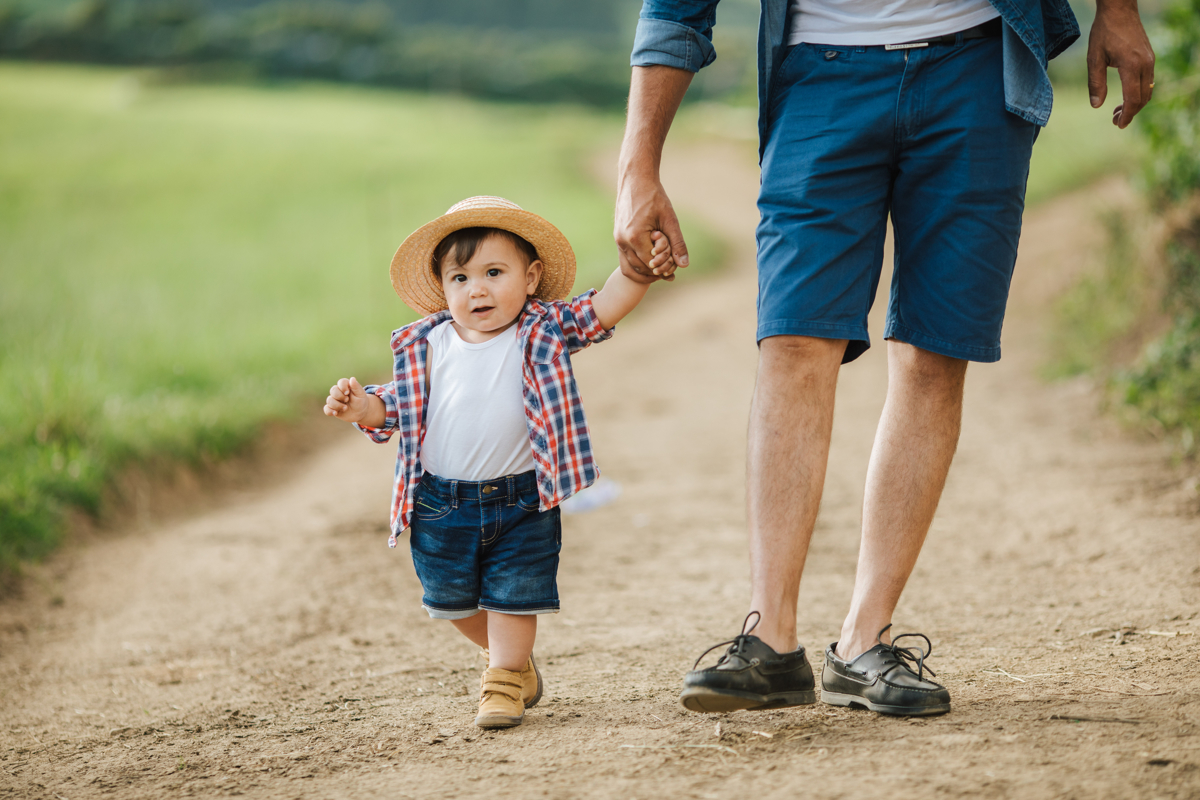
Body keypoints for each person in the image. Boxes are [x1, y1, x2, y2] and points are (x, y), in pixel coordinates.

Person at [615, 0, 1154, 716]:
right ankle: (769, 640)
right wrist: (638, 166)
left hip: (976, 68)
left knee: (935, 352)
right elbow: (677, 8)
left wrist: (1118, 10)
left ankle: (865, 641)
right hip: (819, 73)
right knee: (793, 337)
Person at [323, 196, 672, 729]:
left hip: (522, 498)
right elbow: (396, 406)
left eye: (493, 273)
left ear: (530, 278)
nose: (477, 289)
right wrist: (361, 408)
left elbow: (602, 308)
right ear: (443, 287)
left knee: (514, 594)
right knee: (449, 601)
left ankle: (504, 679)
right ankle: (513, 661)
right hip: (440, 503)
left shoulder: (542, 329)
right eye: (460, 278)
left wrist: (636, 271)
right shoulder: (429, 343)